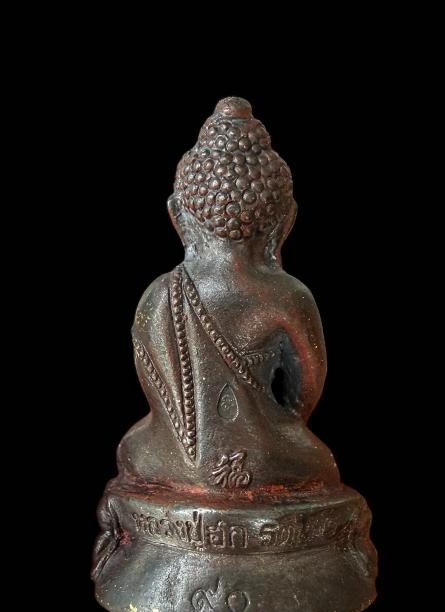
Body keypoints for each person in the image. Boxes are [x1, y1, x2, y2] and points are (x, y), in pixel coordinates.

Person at [118, 97, 340, 492]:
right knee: (316, 460)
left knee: (131, 446)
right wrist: (276, 428)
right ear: (285, 221)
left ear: (177, 215)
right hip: (264, 452)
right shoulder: (288, 296)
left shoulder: (157, 294)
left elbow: (156, 396)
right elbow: (305, 393)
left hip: (170, 459)